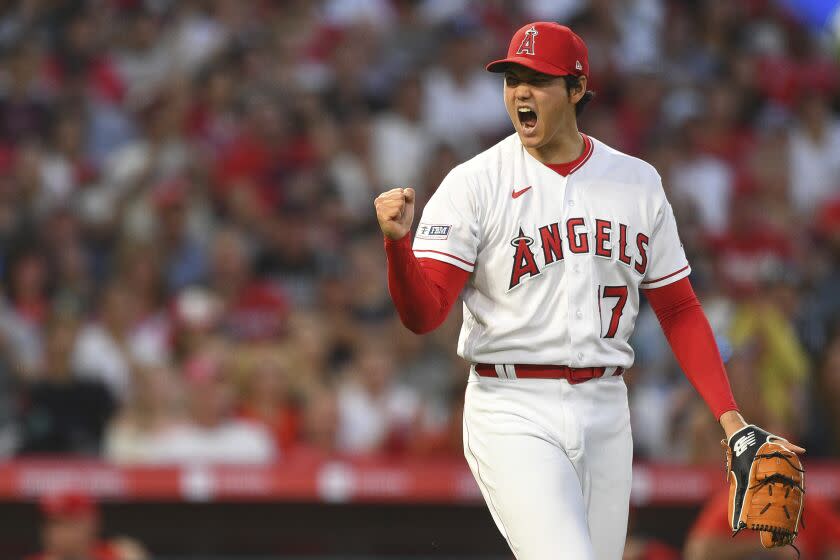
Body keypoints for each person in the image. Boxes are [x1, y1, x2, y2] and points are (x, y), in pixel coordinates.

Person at [374, 22, 804, 560]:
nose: (521, 92)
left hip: (607, 407)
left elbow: (678, 306)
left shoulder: (637, 181)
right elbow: (423, 314)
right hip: (513, 406)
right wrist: (397, 246)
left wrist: (731, 418)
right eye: (512, 79)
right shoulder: (473, 183)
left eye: (539, 80)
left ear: (577, 90)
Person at [26, 491, 148, 560]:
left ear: (90, 523)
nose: (56, 533)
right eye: (52, 524)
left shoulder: (121, 553)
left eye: (68, 523)